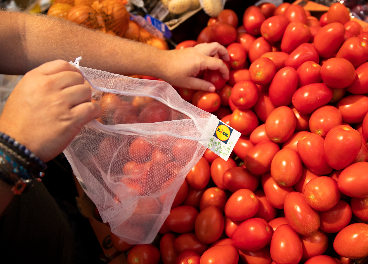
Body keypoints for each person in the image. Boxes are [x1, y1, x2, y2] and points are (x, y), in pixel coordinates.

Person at [0, 9, 229, 264]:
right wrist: (10, 152)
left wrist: (162, 62)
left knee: (63, 238)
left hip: (29, 205)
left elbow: (20, 35)